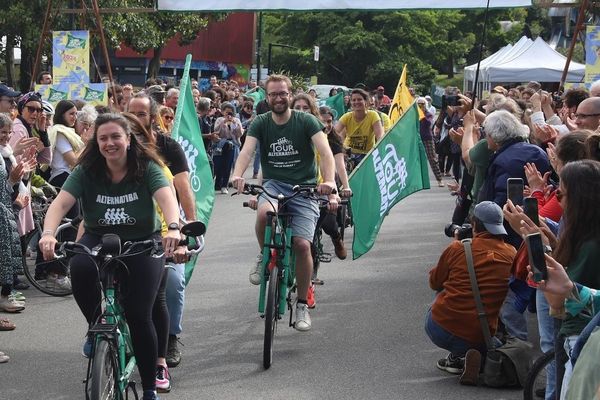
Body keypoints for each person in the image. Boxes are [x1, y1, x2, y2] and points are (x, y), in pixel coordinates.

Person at [38, 113, 181, 400]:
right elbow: (60, 204)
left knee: (140, 315)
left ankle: (150, 388)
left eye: (116, 137)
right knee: (79, 268)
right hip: (98, 237)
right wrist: (48, 233)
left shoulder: (146, 166)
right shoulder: (87, 169)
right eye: (103, 138)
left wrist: (174, 228)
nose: (109, 143)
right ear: (96, 142)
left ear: (128, 139)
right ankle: (95, 328)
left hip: (142, 240)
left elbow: (167, 199)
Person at [231, 74, 337, 332]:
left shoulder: (307, 121)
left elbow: (325, 152)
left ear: (290, 95)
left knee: (302, 245)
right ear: (266, 98)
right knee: (263, 215)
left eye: (283, 93)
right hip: (274, 184)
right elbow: (247, 151)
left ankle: (301, 304)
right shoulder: (260, 123)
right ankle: (263, 255)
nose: (278, 98)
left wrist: (330, 181)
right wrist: (236, 175)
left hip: (305, 188)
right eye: (273, 94)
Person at [127, 93, 196, 373]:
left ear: (153, 117)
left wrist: (190, 227)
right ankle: (100, 333)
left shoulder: (169, 147)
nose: (134, 119)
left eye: (141, 114)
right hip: (127, 229)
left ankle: (169, 339)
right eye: (129, 112)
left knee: (172, 283)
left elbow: (183, 188)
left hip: (166, 231)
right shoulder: (117, 143)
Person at [426, 201, 515, 385]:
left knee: (444, 287)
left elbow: (434, 282)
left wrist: (456, 245)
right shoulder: (511, 254)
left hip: (440, 328)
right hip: (480, 334)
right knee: (498, 344)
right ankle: (477, 356)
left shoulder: (458, 248)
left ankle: (458, 356)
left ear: (474, 225)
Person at [336, 88, 384, 167]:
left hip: (367, 155)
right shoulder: (347, 117)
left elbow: (380, 136)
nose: (356, 102)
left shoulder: (373, 115)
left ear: (366, 101)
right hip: (349, 154)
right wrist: (340, 149)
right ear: (351, 102)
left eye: (359, 99)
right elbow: (334, 132)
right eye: (353, 100)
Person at [213, 102, 243, 194]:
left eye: (230, 113)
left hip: (232, 144)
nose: (228, 115)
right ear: (223, 112)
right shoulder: (219, 119)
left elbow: (239, 134)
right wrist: (224, 122)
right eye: (227, 112)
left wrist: (234, 124)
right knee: (218, 164)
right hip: (221, 144)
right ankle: (217, 184)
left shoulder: (236, 120)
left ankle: (224, 185)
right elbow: (216, 131)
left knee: (228, 165)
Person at [417, 97, 443, 187]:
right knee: (417, 159)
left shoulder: (428, 114)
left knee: (432, 159)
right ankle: (419, 181)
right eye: (418, 104)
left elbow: (429, 123)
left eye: (422, 104)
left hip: (427, 138)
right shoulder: (415, 115)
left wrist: (422, 115)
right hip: (418, 139)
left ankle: (439, 179)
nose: (420, 106)